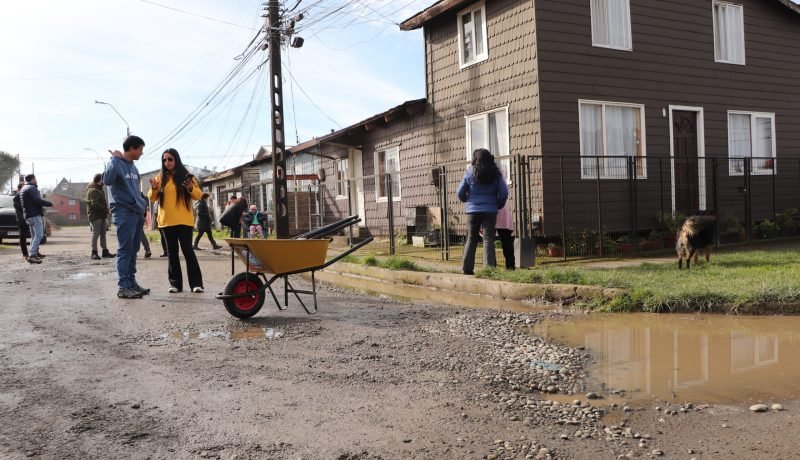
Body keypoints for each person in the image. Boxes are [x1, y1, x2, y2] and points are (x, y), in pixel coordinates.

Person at [148, 148, 205, 293]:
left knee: (188, 251)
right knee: (172, 253)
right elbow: (152, 198)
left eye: (170, 159)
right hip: (166, 221)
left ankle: (196, 284)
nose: (167, 162)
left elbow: (198, 196)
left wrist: (192, 188)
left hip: (184, 221)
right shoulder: (160, 178)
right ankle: (175, 284)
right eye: (164, 160)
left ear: (176, 160)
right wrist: (154, 188)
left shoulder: (187, 177)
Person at [104, 135, 150, 299]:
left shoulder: (133, 168)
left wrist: (142, 211)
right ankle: (123, 287)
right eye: (140, 149)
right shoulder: (115, 163)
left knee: (133, 250)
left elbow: (136, 191)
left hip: (136, 212)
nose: (141, 153)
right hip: (123, 212)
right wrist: (114, 159)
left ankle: (131, 283)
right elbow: (107, 180)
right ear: (132, 149)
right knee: (124, 251)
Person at [456, 148, 508, 275]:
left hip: (472, 211)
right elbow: (504, 192)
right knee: (488, 239)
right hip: (490, 210)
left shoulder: (469, 173)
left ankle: (467, 269)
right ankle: (489, 270)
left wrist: (466, 200)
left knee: (471, 238)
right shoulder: (495, 174)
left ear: (475, 159)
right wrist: (499, 204)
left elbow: (460, 192)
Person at [20, 174, 53, 264]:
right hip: (34, 215)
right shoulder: (32, 188)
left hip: (28, 216)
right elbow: (37, 200)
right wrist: (50, 203)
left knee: (34, 236)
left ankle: (33, 254)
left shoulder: (23, 188)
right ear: (33, 179)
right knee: (39, 235)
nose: (36, 180)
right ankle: (32, 255)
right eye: (35, 179)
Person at [86, 173, 115, 260]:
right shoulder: (93, 190)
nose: (104, 181)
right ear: (99, 181)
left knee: (103, 233)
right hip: (95, 216)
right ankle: (94, 252)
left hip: (101, 215)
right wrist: (106, 210)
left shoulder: (99, 189)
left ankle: (105, 251)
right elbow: (95, 204)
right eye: (103, 179)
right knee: (96, 234)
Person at [12, 182, 32, 262]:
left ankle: (35, 252)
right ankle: (25, 254)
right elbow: (22, 208)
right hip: (22, 220)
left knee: (34, 235)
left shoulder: (28, 197)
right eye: (23, 188)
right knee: (22, 238)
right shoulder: (16, 198)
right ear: (19, 189)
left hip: (30, 219)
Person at [495, 202, 515, 270]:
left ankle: (491, 266)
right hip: (503, 210)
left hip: (490, 210)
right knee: (507, 242)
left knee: (488, 242)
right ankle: (510, 266)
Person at [139, 192, 152, 258]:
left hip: (132, 215)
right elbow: (144, 203)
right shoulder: (140, 193)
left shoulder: (130, 190)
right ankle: (147, 249)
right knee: (141, 233)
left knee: (130, 235)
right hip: (140, 215)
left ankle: (132, 252)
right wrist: (144, 215)